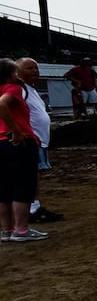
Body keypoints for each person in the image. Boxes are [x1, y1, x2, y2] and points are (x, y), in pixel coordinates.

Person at [0, 57, 47, 242]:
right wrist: (16, 131)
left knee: (4, 189)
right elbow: (2, 104)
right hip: (18, 143)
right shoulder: (14, 89)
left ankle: (6, 230)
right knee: (23, 186)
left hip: (1, 142)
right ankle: (21, 230)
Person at [17, 58, 62, 222]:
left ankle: (34, 205)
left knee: (36, 173)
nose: (35, 71)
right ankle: (32, 208)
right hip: (30, 139)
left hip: (39, 139)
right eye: (30, 68)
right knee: (31, 174)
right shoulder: (20, 90)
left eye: (36, 68)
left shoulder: (30, 89)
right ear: (18, 70)